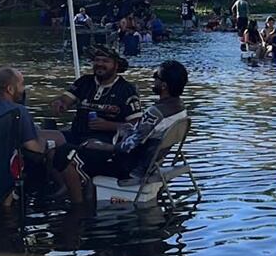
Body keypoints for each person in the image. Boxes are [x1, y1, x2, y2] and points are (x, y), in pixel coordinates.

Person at [0, 66, 85, 204]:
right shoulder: (18, 111)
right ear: (10, 89)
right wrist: (43, 142)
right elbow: (34, 148)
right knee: (50, 145)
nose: (24, 89)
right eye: (22, 84)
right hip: (3, 176)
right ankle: (60, 189)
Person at [60, 60, 189, 184]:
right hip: (150, 162)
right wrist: (122, 127)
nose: (153, 79)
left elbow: (127, 146)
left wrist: (101, 146)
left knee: (65, 153)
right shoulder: (180, 108)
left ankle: (78, 203)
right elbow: (142, 133)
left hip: (129, 166)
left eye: (156, 76)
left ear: (164, 85)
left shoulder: (155, 112)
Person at [48, 46, 142, 144]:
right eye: (97, 60)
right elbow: (66, 99)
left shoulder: (127, 90)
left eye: (105, 61)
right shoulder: (84, 81)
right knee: (41, 136)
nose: (100, 64)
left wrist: (109, 125)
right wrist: (59, 103)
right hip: (75, 135)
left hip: (104, 141)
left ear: (116, 65)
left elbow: (136, 125)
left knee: (90, 145)